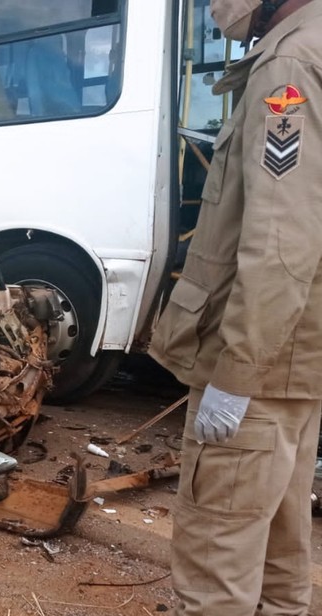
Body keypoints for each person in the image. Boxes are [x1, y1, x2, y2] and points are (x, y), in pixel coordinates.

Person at [148, 1, 322, 614]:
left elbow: (282, 239)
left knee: (214, 568)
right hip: (296, 367)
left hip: (260, 370)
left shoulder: (288, 66)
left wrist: (237, 372)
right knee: (280, 559)